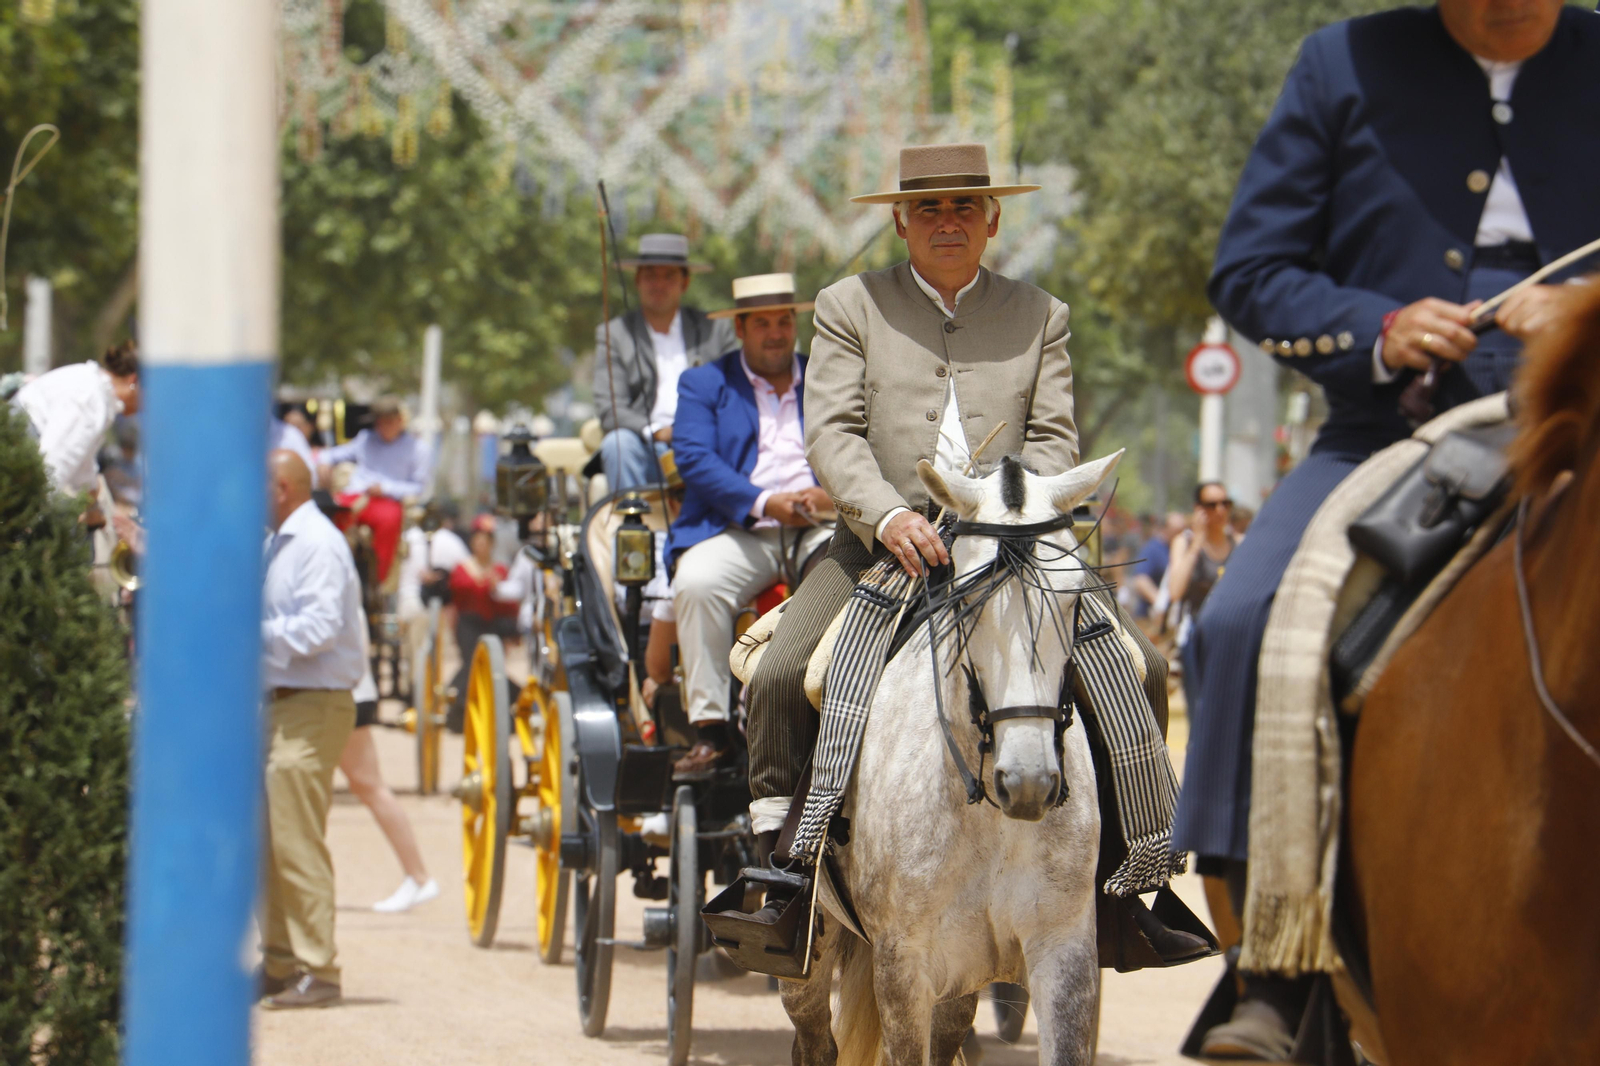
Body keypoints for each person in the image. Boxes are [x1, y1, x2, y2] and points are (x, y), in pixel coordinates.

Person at [1178, 3, 1600, 1057]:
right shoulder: (1338, 67)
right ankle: (1272, 968)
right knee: (1239, 619)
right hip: (1388, 430)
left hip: (1589, 415)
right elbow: (1251, 268)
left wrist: (1588, 307)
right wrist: (1377, 326)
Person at [744, 143, 1203, 961]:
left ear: (992, 220)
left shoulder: (1040, 313)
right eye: (929, 209)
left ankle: (1133, 881)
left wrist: (1014, 513)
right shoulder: (849, 304)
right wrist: (887, 517)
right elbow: (834, 433)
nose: (947, 221)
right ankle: (783, 878)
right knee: (783, 673)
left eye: (964, 207)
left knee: (1143, 667)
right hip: (882, 547)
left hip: (1017, 545)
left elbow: (1058, 437)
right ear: (901, 221)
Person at [662, 273, 833, 777]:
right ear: (740, 327)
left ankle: (832, 719)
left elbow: (859, 444)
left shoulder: (826, 377)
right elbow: (693, 457)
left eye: (784, 321)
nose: (776, 333)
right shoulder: (704, 383)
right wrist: (764, 502)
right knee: (696, 582)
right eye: (763, 323)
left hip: (818, 526)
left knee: (853, 587)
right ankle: (712, 732)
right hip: (736, 528)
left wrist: (828, 495)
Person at [259, 450, 365, 1009]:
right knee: (267, 839)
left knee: (296, 839)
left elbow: (319, 630)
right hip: (282, 702)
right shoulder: (281, 541)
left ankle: (319, 970)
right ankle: (280, 962)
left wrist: (249, 633)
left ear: (280, 487)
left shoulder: (317, 544)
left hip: (313, 703)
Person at [592, 233, 736, 490]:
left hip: (706, 442)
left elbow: (737, 391)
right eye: (650, 275)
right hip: (645, 445)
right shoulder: (615, 333)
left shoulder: (716, 329)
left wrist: (697, 429)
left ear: (685, 282)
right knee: (617, 444)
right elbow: (610, 408)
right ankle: (631, 526)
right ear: (637, 280)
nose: (659, 284)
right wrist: (658, 431)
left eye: (669, 275)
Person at [345, 627, 439, 913]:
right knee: (367, 786)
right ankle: (418, 876)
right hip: (349, 690)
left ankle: (419, 876)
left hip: (343, 692)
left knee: (368, 786)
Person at [11, 340, 141, 522]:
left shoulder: (95, 391)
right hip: (17, 451)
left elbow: (80, 461)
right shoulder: (91, 401)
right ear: (133, 380)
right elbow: (51, 470)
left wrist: (91, 493)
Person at [317, 397, 430, 583]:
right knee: (331, 512)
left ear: (399, 421)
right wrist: (324, 462)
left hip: (387, 500)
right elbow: (331, 454)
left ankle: (375, 581)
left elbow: (418, 487)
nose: (383, 427)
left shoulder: (418, 449)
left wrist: (386, 488)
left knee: (389, 521)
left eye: (388, 421)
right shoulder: (365, 440)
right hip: (356, 496)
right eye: (380, 422)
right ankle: (329, 570)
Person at [1166, 482, 1240, 710]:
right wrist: (1197, 542)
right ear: (1198, 509)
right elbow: (1175, 591)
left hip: (1231, 637)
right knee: (1200, 708)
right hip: (1197, 638)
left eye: (1225, 503)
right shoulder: (1184, 542)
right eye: (1211, 505)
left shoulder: (1239, 543)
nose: (1220, 510)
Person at [445, 514, 520, 731]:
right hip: (468, 625)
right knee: (473, 664)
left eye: (486, 541)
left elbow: (508, 605)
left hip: (492, 625)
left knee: (491, 667)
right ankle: (458, 702)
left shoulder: (499, 570)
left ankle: (502, 704)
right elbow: (458, 594)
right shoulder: (462, 569)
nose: (482, 545)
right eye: (478, 540)